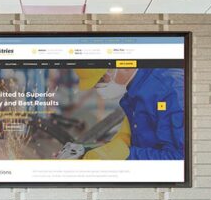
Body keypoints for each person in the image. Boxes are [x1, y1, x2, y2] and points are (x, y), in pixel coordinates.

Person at [57, 66, 185, 160]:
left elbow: (179, 159)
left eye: (101, 79)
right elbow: (135, 140)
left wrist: (125, 156)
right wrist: (86, 151)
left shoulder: (171, 92)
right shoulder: (136, 89)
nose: (98, 87)